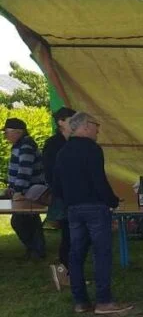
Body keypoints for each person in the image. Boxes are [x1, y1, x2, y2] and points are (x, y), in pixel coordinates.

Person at [52, 112, 133, 314]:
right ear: (85, 126)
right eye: (96, 125)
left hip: (73, 208)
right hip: (95, 207)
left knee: (76, 254)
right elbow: (99, 180)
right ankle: (104, 301)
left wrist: (69, 200)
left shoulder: (63, 151)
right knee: (101, 253)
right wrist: (112, 201)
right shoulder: (92, 149)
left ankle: (80, 301)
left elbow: (56, 184)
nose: (98, 129)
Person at [2, 117, 47, 259]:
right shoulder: (21, 145)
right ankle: (36, 250)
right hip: (27, 190)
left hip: (30, 191)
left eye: (7, 132)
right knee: (30, 220)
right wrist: (12, 188)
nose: (5, 136)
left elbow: (24, 171)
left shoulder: (25, 146)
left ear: (18, 132)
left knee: (19, 221)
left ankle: (35, 250)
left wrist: (18, 192)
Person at [42, 106, 76, 289]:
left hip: (74, 195)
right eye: (71, 120)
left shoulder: (74, 142)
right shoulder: (53, 144)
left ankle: (67, 272)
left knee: (74, 235)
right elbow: (49, 172)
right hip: (62, 195)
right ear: (61, 122)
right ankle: (64, 273)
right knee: (69, 235)